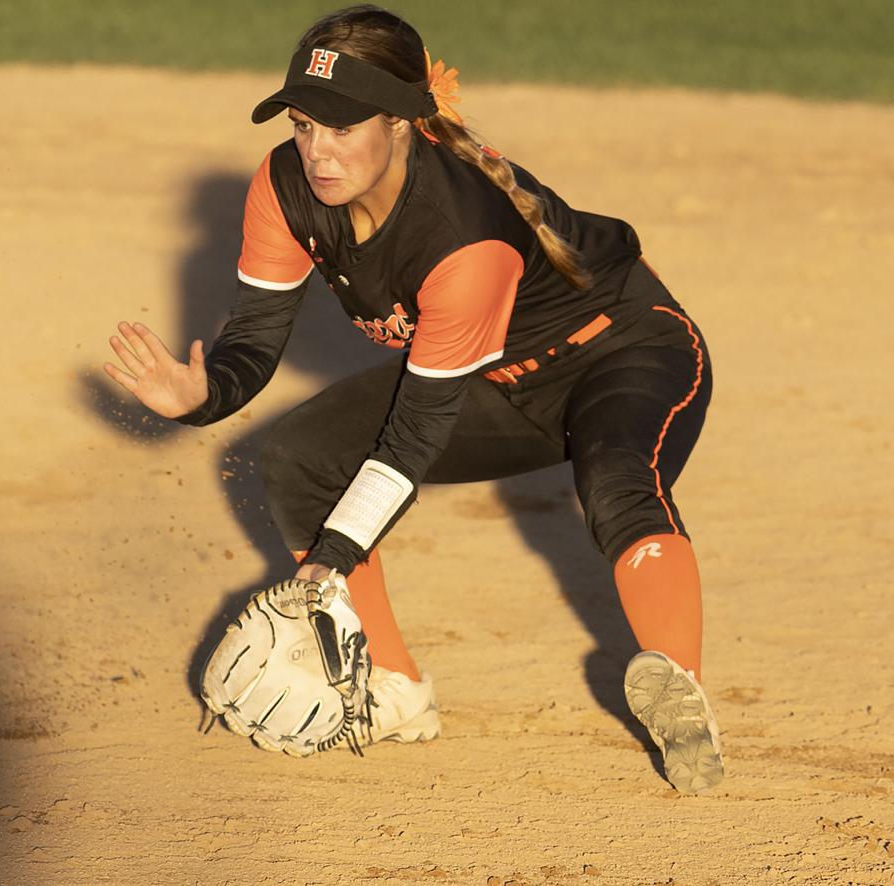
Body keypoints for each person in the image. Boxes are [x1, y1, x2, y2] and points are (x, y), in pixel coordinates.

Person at [103, 4, 723, 794]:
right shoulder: (288, 186)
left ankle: (679, 692)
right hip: (492, 382)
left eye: (340, 128)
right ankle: (396, 694)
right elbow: (257, 336)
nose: (316, 153)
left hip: (626, 352)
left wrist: (323, 568)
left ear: (399, 123)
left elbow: (413, 436)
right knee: (300, 458)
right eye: (302, 124)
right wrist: (203, 395)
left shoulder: (463, 234)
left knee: (613, 478)